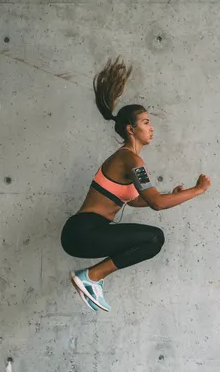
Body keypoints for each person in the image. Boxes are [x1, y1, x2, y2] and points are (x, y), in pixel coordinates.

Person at [61, 57, 211, 312]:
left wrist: (173, 194)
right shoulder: (130, 159)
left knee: (151, 239)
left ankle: (92, 277)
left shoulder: (127, 160)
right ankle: (92, 277)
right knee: (154, 238)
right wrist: (197, 190)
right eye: (145, 123)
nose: (151, 128)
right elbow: (156, 204)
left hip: (83, 232)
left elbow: (139, 199)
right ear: (131, 129)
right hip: (83, 231)